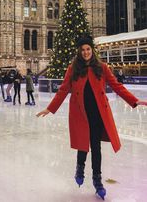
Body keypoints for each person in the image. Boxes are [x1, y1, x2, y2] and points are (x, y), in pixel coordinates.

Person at [36, 36, 147, 200]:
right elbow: (63, 90)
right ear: (79, 52)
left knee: (96, 148)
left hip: (97, 115)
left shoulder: (101, 67)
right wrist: (50, 108)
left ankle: (98, 180)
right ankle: (80, 168)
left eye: (88, 49)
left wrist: (134, 100)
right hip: (80, 114)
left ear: (92, 51)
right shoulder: (73, 68)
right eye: (83, 50)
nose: (86, 52)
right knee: (82, 146)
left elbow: (117, 85)